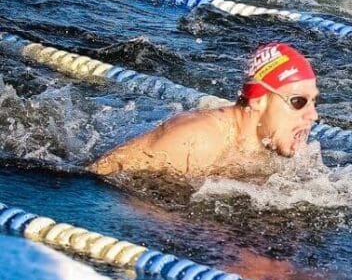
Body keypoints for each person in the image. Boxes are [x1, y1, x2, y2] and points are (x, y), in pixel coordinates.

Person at [89, 42, 319, 178]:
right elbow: (100, 171)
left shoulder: (271, 144)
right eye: (298, 102)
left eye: (313, 102)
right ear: (259, 100)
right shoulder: (197, 139)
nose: (313, 115)